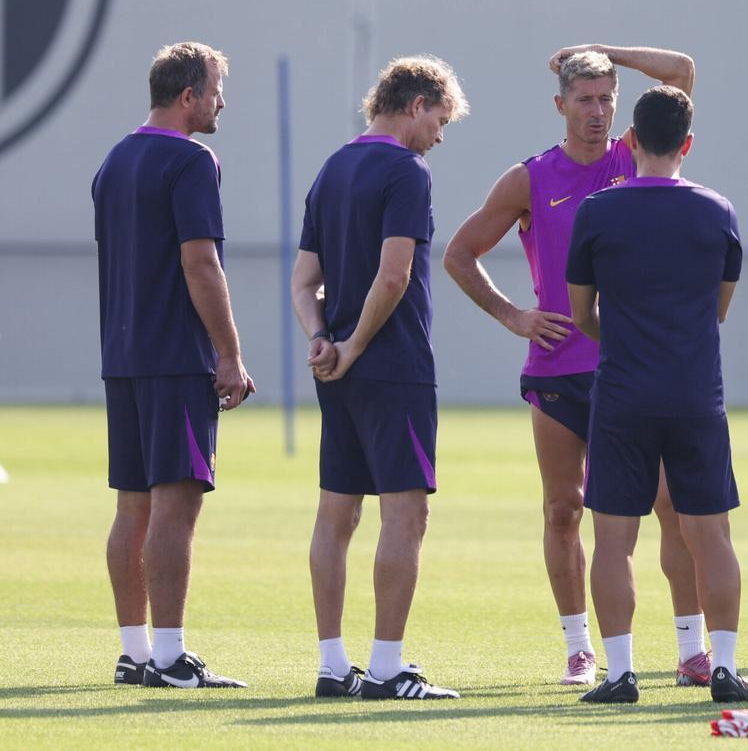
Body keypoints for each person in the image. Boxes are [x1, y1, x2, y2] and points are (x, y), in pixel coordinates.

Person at [443, 45, 711, 688]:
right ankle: (578, 647)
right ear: (560, 105)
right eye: (585, 99)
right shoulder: (529, 178)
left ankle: (691, 648)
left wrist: (604, 49)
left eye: (606, 98)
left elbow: (681, 72)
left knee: (672, 506)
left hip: (635, 367)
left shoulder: (632, 156)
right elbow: (459, 253)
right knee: (564, 509)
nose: (597, 111)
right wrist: (515, 316)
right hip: (560, 368)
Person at [566, 85, 748, 705]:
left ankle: (619, 674)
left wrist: (622, 333)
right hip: (696, 393)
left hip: (621, 392)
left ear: (633, 141)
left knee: (614, 539)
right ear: (688, 144)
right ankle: (722, 667)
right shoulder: (717, 211)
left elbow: (581, 311)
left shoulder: (597, 210)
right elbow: (719, 308)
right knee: (711, 534)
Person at [291, 55, 468, 700]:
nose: (440, 137)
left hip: (336, 370)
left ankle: (333, 665)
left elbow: (303, 281)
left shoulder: (332, 166)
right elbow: (394, 276)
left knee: (335, 514)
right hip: (391, 367)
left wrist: (323, 340)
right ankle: (388, 668)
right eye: (440, 120)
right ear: (417, 104)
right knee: (406, 515)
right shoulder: (405, 170)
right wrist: (358, 346)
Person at [94, 42, 253, 688]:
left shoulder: (114, 160)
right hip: (173, 357)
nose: (222, 102)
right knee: (173, 509)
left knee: (131, 508)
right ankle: (169, 656)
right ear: (188, 96)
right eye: (216, 89)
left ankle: (134, 651)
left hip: (123, 356)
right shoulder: (192, 160)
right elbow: (200, 263)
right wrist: (229, 353)